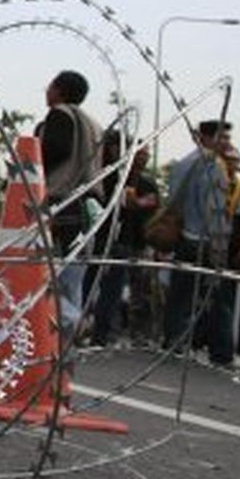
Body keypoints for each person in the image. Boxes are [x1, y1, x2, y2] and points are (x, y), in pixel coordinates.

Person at [34, 69, 104, 335]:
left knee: (44, 276)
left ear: (59, 90)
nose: (46, 90)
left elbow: (55, 150)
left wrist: (30, 167)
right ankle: (65, 341)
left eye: (50, 85)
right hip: (90, 205)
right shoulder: (94, 125)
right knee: (74, 277)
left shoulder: (60, 114)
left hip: (63, 203)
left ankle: (74, 320)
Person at [162, 120, 236, 366]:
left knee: (180, 295)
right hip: (207, 241)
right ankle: (221, 353)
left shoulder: (182, 164)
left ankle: (174, 343)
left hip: (185, 237)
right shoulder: (214, 166)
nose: (226, 142)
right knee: (218, 298)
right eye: (221, 137)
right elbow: (214, 210)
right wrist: (220, 246)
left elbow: (173, 201)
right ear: (205, 137)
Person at [85, 136, 159, 347]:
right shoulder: (111, 176)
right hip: (104, 239)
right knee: (97, 286)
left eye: (146, 154)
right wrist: (137, 202)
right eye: (140, 153)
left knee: (119, 291)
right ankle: (94, 330)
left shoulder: (145, 181)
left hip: (132, 242)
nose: (143, 158)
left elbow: (150, 205)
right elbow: (129, 202)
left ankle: (106, 333)